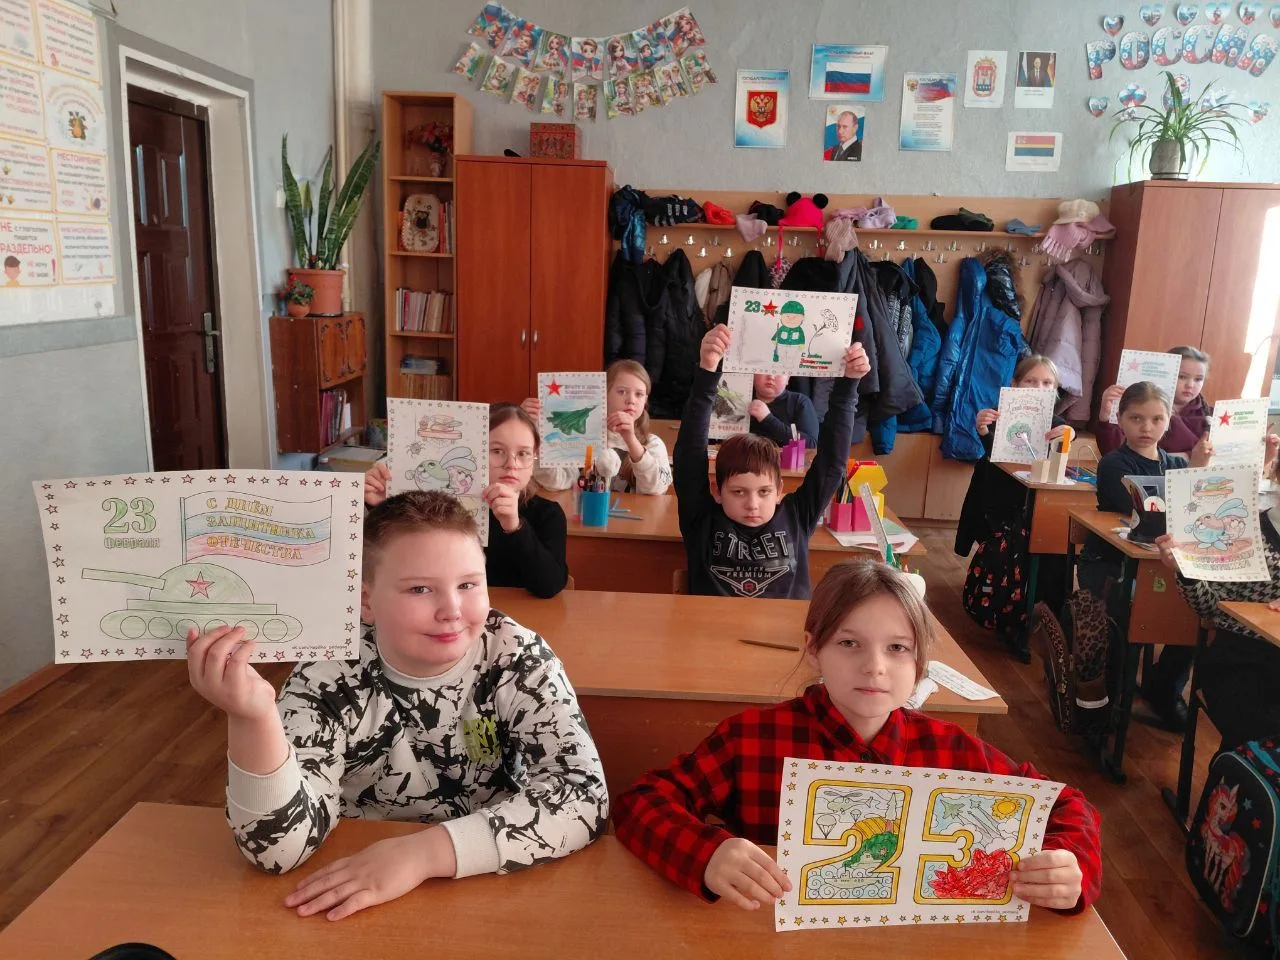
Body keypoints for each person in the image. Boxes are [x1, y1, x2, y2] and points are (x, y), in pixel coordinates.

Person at [186, 491, 608, 920]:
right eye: (420, 589)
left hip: (486, 878)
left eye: (468, 584)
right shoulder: (328, 675)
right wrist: (253, 719)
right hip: (358, 880)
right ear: (366, 602)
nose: (452, 610)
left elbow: (584, 795)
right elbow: (275, 851)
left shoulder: (516, 658)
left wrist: (423, 854)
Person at [613, 560, 1102, 912]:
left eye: (898, 648)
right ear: (814, 649)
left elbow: (1069, 805)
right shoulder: (752, 739)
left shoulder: (949, 749)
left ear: (920, 662)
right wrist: (706, 853)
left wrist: (1069, 866)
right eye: (849, 643)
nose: (874, 666)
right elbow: (641, 801)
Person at [675, 323, 869, 599]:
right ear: (717, 491)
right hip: (714, 626)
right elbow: (689, 456)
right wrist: (708, 371)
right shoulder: (702, 519)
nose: (752, 504)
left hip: (786, 626)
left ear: (779, 491)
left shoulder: (796, 516)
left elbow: (832, 463)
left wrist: (849, 385)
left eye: (764, 492)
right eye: (738, 492)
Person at [1077, 382, 1210, 729]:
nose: (1146, 427)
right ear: (1121, 419)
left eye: (1156, 419)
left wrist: (1196, 472)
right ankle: (1111, 694)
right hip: (1110, 564)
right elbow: (1149, 513)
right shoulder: (1114, 464)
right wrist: (1193, 476)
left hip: (1160, 566)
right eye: (1136, 418)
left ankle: (1163, 688)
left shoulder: (1175, 463)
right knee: (1128, 611)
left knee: (1199, 613)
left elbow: (1196, 515)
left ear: (1168, 422)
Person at [366, 404, 568, 598]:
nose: (511, 464)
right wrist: (382, 506)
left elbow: (549, 586)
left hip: (514, 617)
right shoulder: (435, 507)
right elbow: (382, 564)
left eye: (523, 454)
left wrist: (515, 527)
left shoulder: (547, 514)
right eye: (497, 451)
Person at [1154, 459, 1280, 750]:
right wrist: (1186, 571)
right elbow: (1209, 608)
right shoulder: (1243, 533)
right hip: (1240, 659)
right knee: (1260, 735)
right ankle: (1235, 774)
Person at [955, 354, 1070, 556]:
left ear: (1055, 389)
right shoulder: (999, 414)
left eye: (1047, 383)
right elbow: (995, 453)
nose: (1038, 388)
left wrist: (1070, 434)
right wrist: (983, 429)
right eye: (1030, 381)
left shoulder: (1055, 421)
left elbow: (1065, 434)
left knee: (1026, 540)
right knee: (994, 540)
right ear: (1014, 384)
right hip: (998, 488)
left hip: (1029, 494)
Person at [525, 360, 671, 495]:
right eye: (622, 392)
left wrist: (631, 440)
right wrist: (536, 429)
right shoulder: (579, 438)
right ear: (604, 394)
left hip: (636, 514)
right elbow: (554, 482)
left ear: (645, 401)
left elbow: (656, 489)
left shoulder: (652, 444)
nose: (631, 400)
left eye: (639, 394)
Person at [1095, 346, 1213, 457]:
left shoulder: (1209, 415)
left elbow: (1213, 456)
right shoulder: (1139, 407)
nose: (1190, 385)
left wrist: (1186, 457)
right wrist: (1106, 416)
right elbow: (1112, 452)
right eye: (1181, 376)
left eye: (1198, 379)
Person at [749, 372, 819, 448]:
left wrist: (768, 419)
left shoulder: (799, 402)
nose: (771, 376)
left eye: (779, 372)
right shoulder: (743, 399)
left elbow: (811, 445)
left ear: (788, 379)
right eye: (765, 371)